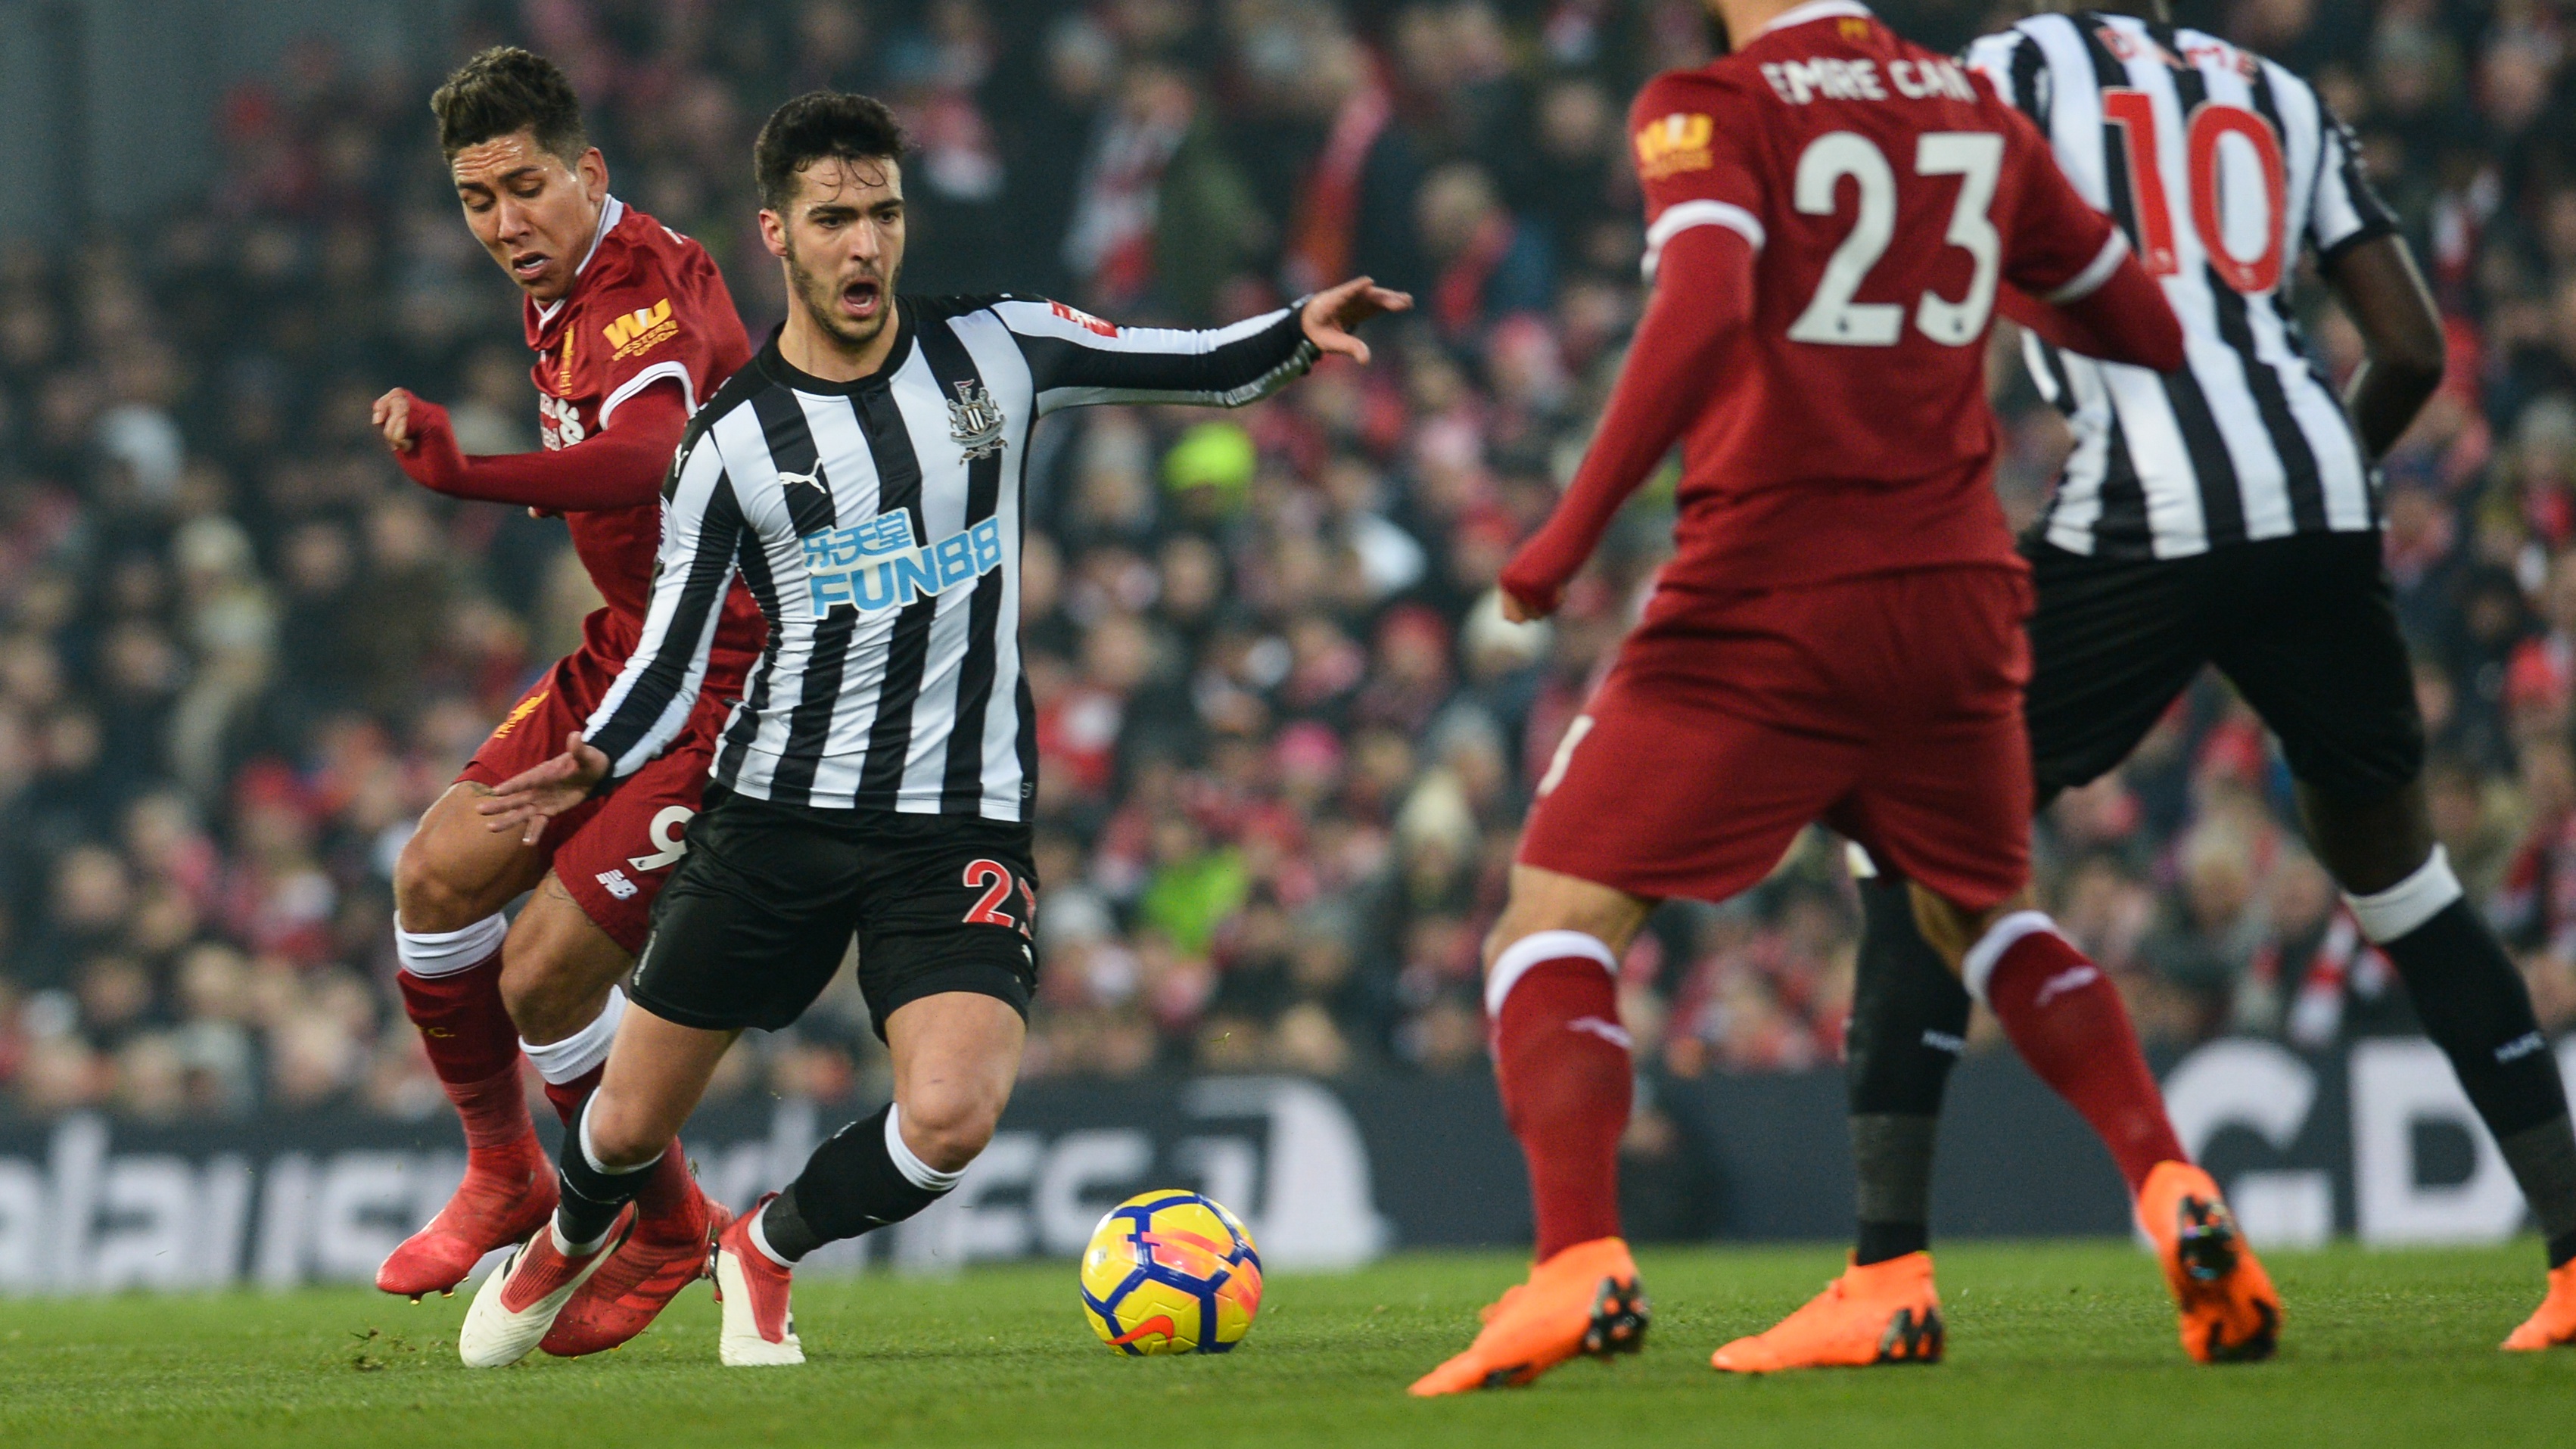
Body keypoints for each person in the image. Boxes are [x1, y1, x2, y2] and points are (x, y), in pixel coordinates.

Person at [452, 90, 1411, 1370]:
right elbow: (674, 648)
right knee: (624, 1129)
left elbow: (1188, 362)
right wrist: (596, 758)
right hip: (776, 816)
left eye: (884, 214)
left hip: (956, 821)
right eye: (833, 219)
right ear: (777, 234)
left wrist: (1297, 332)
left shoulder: (997, 348)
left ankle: (765, 1246)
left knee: (952, 1119)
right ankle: (573, 1232)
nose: (864, 244)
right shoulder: (732, 442)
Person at [1734, 0, 2576, 1369]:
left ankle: (1886, 1274)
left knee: (1904, 828)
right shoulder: (2278, 90)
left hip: (2150, 503)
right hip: (2321, 494)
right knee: (2403, 883)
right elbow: (2414, 348)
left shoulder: (2000, 74)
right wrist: (2302, 478)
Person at [1410, 0, 2217, 1395]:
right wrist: (1954, 281)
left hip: (1770, 592)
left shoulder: (1713, 104)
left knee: (1552, 923)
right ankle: (2170, 1187)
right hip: (1956, 595)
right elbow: (2142, 326)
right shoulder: (1972, 109)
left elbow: (1707, 302)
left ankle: (1576, 1261)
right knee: (1985, 915)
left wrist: (1567, 533)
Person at [366, 47, 766, 1357]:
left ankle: (669, 1223)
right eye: (477, 201)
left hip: (734, 673)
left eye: (527, 188)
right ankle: (507, 1174)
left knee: (540, 977)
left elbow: (649, 451)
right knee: (434, 878)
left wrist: (470, 476)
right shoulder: (564, 285)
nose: (504, 224)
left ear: (588, 172)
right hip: (630, 640)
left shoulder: (638, 290)